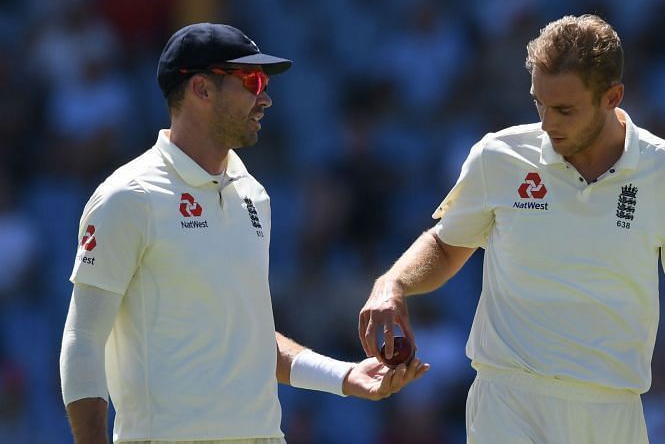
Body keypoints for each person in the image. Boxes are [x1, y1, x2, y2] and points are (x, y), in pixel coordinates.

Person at [359, 14, 665, 444]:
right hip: (507, 398)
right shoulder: (498, 156)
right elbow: (447, 247)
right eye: (539, 103)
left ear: (612, 96)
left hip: (611, 408)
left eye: (564, 109)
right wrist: (392, 283)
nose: (547, 123)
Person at [59, 22, 429, 444]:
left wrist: (344, 376)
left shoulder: (253, 194)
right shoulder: (128, 197)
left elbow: (248, 335)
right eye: (251, 82)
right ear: (200, 89)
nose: (266, 98)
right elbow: (82, 339)